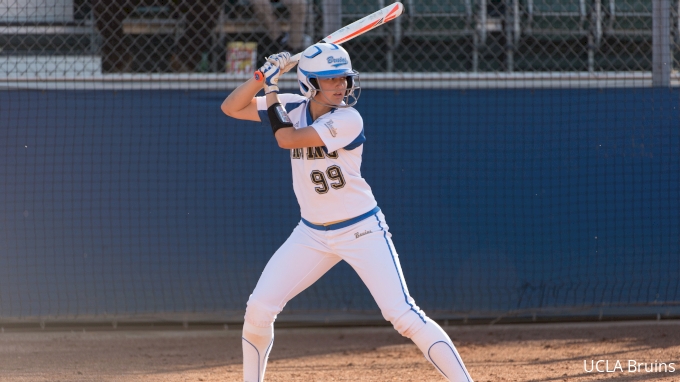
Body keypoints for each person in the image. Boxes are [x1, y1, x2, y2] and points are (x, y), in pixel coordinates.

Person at [221, 43, 475, 382]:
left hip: (361, 230)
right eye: (330, 79)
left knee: (403, 315)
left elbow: (287, 139)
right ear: (310, 83)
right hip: (312, 233)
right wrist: (261, 76)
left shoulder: (348, 118)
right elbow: (231, 106)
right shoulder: (294, 106)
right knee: (258, 310)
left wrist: (271, 89)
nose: (341, 86)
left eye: (344, 78)